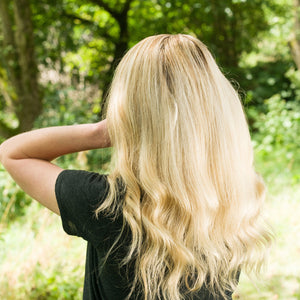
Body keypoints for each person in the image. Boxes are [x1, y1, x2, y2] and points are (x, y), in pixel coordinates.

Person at [0, 34, 273, 300]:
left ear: (130, 111)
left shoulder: (108, 205)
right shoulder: (236, 202)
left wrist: (100, 132)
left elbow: (14, 153)